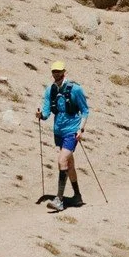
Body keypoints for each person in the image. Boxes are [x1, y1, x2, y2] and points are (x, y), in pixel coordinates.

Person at [37, 59, 89, 211]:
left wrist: (81, 130)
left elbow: (85, 110)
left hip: (72, 131)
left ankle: (59, 200)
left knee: (62, 161)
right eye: (54, 71)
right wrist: (40, 115)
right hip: (58, 131)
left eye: (59, 71)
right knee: (69, 164)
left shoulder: (75, 89)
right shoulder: (50, 90)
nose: (56, 74)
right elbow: (46, 112)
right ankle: (77, 196)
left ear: (64, 72)